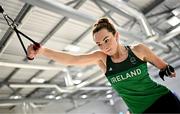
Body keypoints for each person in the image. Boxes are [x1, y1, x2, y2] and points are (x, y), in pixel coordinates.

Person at [27, 17, 180, 113]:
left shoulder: (138, 50)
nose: (104, 46)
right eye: (99, 44)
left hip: (163, 102)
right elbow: (73, 59)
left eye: (106, 40)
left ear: (116, 35)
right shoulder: (102, 59)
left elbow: (164, 66)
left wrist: (168, 70)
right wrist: (43, 51)